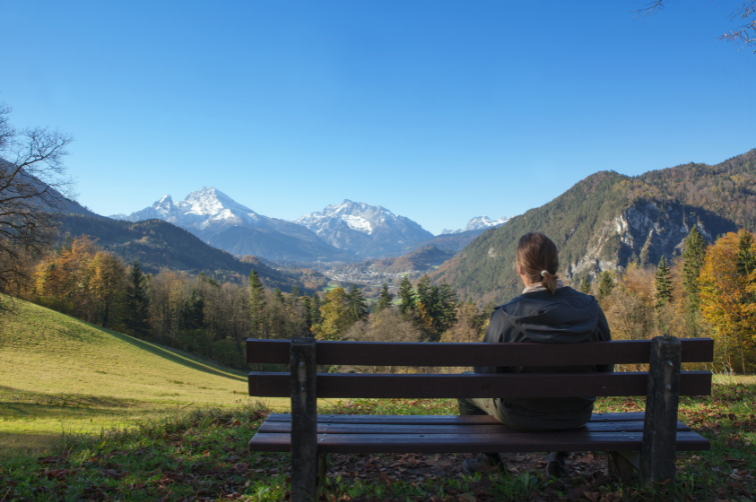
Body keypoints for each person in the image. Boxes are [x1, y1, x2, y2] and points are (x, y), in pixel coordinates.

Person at [459, 232, 613, 478]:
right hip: (577, 413)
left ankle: (490, 461)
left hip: (521, 416)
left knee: (466, 385)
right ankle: (558, 458)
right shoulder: (591, 309)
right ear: (556, 266)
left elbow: (484, 380)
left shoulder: (506, 315)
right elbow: (606, 371)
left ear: (519, 269)